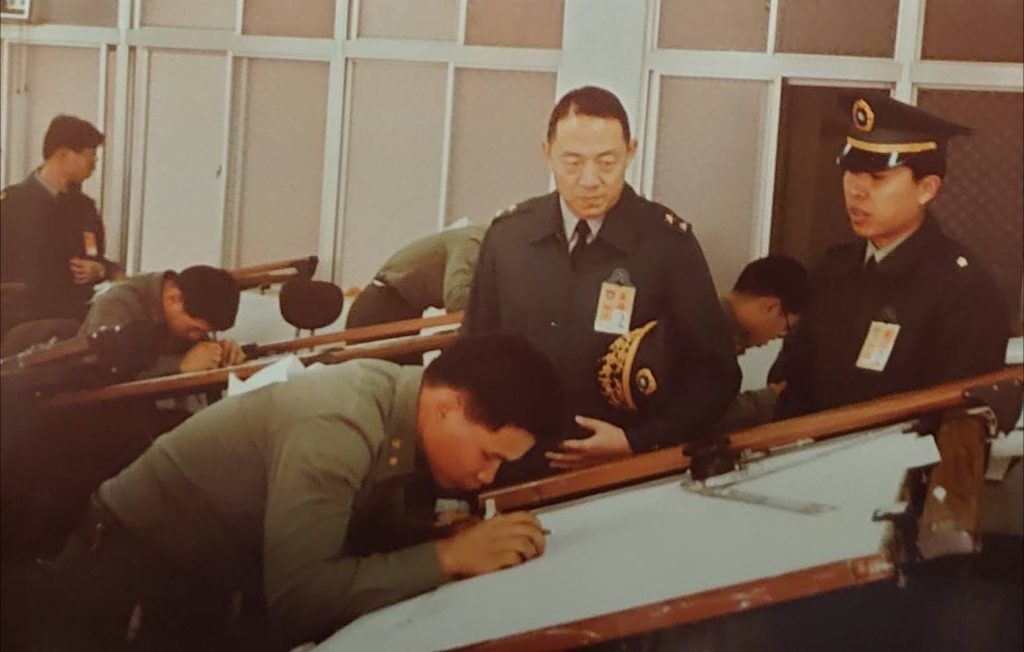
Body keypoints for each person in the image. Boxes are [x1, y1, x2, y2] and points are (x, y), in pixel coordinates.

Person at [25, 332, 564, 650]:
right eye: (489, 455)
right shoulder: (340, 422)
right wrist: (448, 558)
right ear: (447, 409)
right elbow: (301, 598)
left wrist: (428, 538)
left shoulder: (400, 406)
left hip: (200, 579)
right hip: (123, 585)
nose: (487, 477)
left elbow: (347, 525)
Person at [463, 85, 740, 475]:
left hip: (624, 472)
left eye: (607, 162)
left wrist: (637, 442)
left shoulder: (667, 245)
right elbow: (470, 358)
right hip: (514, 467)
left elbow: (717, 375)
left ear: (631, 152)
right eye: (572, 162)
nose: (590, 180)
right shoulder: (509, 237)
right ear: (547, 152)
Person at [776, 92, 1009, 419]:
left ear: (926, 189)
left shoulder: (962, 290)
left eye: (877, 177)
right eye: (851, 172)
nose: (856, 191)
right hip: (807, 447)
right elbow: (794, 377)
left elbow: (957, 421)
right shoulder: (834, 268)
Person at [0, 115, 121, 332]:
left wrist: (100, 270)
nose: (94, 163)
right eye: (90, 154)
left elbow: (96, 256)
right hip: (20, 324)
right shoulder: (11, 204)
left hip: (72, 323)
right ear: (63, 154)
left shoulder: (85, 208)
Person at [346, 224, 487, 365]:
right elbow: (456, 299)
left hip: (398, 308)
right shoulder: (474, 241)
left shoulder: (476, 240)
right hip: (383, 311)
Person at [78, 265, 245, 378]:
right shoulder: (119, 302)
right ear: (174, 298)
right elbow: (97, 370)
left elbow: (196, 354)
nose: (196, 337)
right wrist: (179, 365)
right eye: (196, 329)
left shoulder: (189, 308)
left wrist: (222, 354)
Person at [713, 255, 808, 432]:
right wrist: (767, 400)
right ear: (771, 307)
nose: (778, 336)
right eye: (786, 327)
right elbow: (704, 419)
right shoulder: (709, 341)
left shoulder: (706, 319)